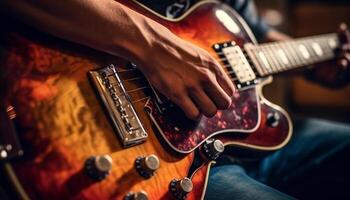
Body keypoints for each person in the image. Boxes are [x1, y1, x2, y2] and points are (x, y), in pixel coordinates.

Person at [1, 0, 350, 199]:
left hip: (234, 136)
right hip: (152, 157)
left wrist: (313, 63)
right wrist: (152, 46)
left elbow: (246, 36)